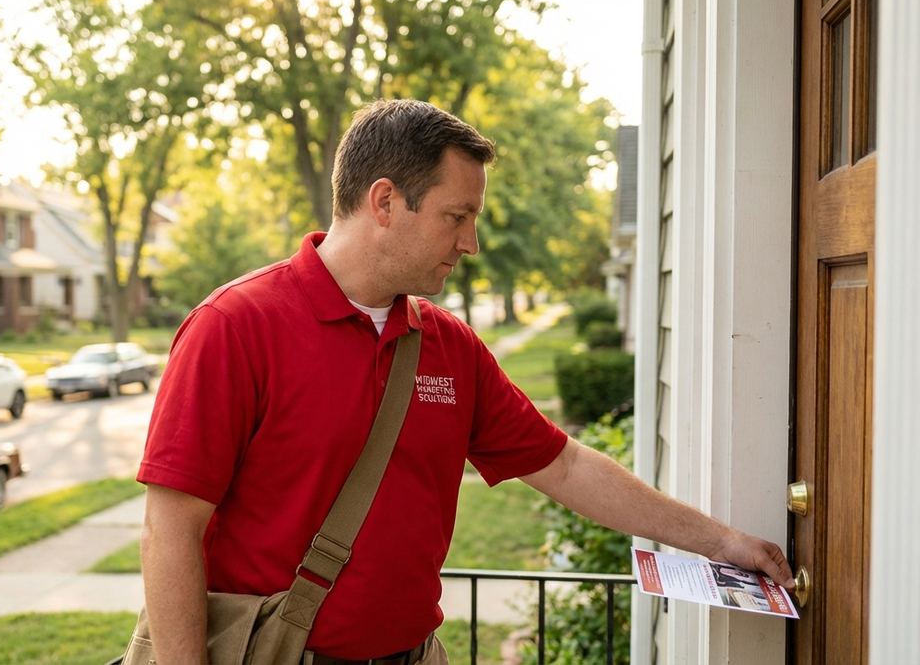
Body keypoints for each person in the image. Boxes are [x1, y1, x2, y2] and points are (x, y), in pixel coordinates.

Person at [137, 99, 794, 664]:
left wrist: (725, 542)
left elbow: (564, 465)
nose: (471, 242)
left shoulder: (447, 346)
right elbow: (170, 528)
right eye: (457, 216)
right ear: (386, 201)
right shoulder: (236, 326)